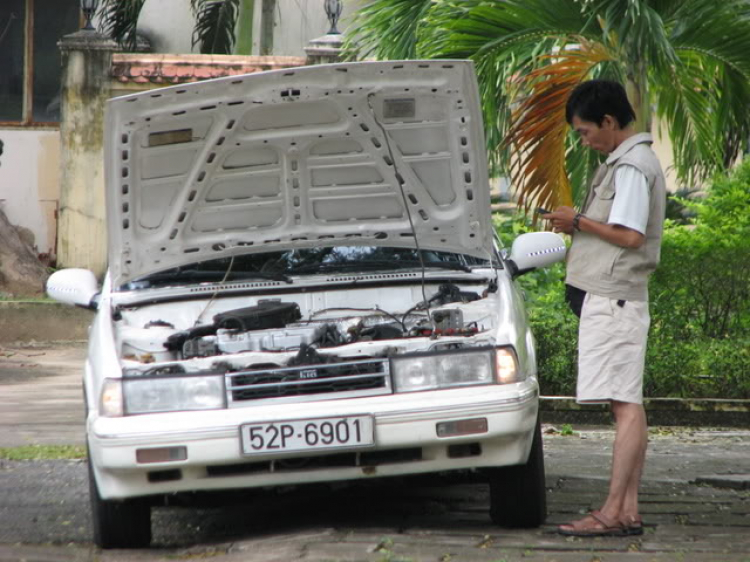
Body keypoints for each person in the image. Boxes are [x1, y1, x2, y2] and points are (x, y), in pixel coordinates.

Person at [545, 80, 666, 537]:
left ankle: (613, 511)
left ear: (609, 122)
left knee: (624, 406)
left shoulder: (632, 167)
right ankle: (627, 509)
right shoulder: (627, 163)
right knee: (628, 403)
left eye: (583, 131)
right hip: (614, 298)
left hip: (614, 298)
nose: (583, 140)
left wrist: (576, 221)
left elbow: (631, 236)